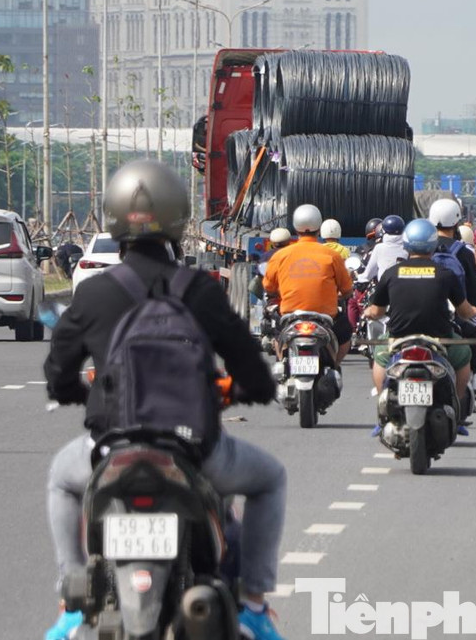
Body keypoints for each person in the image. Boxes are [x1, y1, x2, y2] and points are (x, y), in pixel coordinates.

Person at [42, 160, 289, 640]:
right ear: (177, 219)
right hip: (195, 450)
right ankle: (254, 605)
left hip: (111, 450)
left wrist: (79, 393)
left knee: (61, 480)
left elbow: (58, 375)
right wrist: (240, 390)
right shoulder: (200, 290)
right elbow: (255, 374)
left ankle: (71, 601)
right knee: (269, 479)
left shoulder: (93, 293)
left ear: (113, 219)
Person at [365, 218, 476, 408]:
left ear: (406, 244)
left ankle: (383, 401)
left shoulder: (391, 273)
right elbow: (464, 312)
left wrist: (369, 312)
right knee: (464, 354)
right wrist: (475, 310)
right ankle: (456, 403)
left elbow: (377, 311)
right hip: (439, 338)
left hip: (398, 337)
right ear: (433, 244)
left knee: (380, 357)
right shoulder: (445, 274)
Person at [263, 204, 355, 363]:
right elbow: (347, 289)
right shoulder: (332, 255)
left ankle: (283, 364)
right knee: (346, 334)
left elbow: (268, 287)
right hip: (326, 315)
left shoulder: (280, 255)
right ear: (319, 228)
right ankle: (334, 365)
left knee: (278, 335)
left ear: (295, 228)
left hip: (289, 314)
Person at [430, 198, 476, 402]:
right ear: (456, 222)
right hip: (456, 314)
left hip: (422, 314)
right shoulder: (464, 253)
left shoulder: (422, 249)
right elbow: (474, 288)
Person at [361, 214, 409, 283]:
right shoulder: (408, 248)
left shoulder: (379, 248)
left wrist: (358, 278)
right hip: (405, 286)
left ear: (383, 231)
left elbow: (368, 274)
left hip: (385, 286)